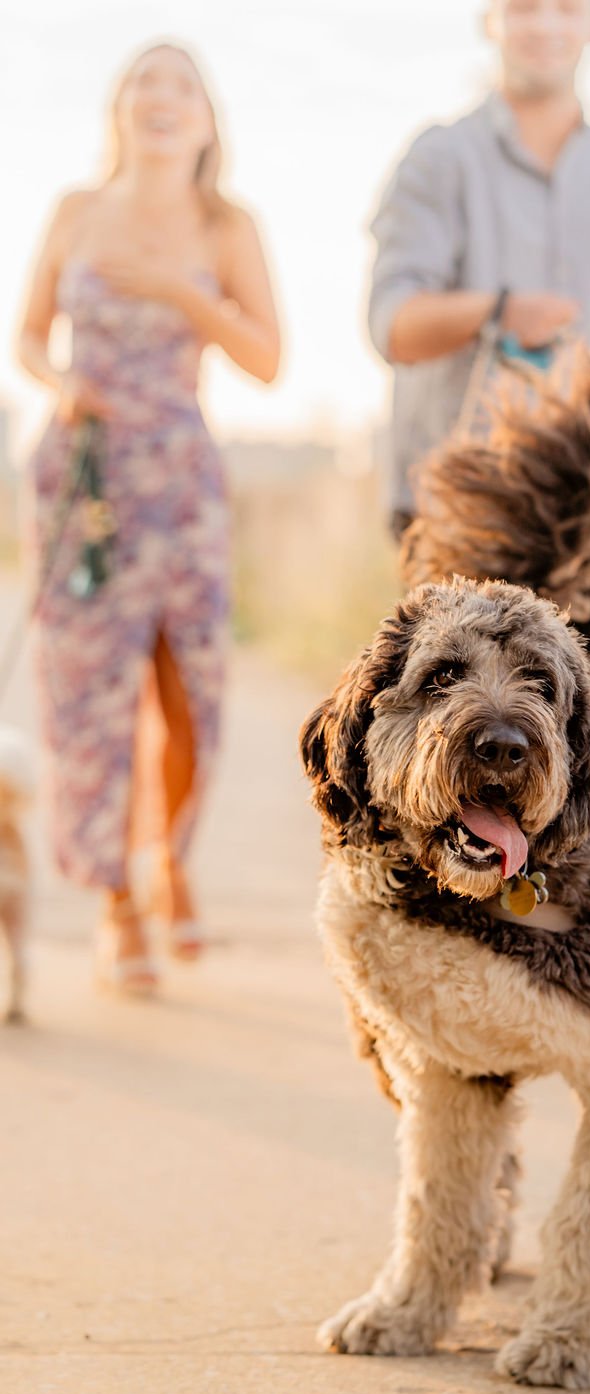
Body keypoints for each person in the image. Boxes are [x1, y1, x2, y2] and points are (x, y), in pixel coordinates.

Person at [16, 41, 280, 993]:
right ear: (119, 109)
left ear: (206, 122)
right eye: (145, 82)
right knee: (93, 698)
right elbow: (28, 339)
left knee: (189, 688)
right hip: (85, 478)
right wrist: (63, 384)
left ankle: (169, 852)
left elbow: (267, 359)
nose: (162, 98)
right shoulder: (74, 212)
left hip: (181, 475)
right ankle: (115, 901)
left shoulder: (227, 224)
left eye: (183, 86)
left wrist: (179, 291)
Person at [368, 0, 590, 739]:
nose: (544, 24)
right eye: (523, 7)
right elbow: (390, 324)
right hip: (467, 515)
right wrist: (498, 308)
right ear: (491, 20)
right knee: (460, 741)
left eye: (565, 8)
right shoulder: (438, 161)